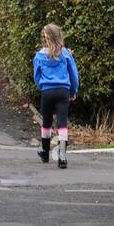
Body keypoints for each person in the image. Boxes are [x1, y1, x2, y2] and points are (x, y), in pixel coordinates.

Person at [33, 23, 79, 169]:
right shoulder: (65, 54)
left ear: (45, 37)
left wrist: (42, 86)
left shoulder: (39, 55)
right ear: (59, 35)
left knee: (46, 122)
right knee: (62, 124)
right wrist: (73, 91)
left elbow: (37, 76)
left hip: (47, 92)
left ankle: (45, 152)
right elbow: (73, 75)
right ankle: (62, 156)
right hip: (63, 91)